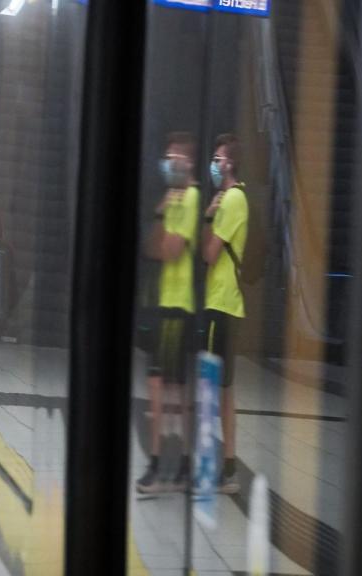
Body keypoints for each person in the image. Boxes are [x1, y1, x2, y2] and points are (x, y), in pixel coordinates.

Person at [136, 132, 200, 494]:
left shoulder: (191, 198)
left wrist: (164, 232)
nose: (169, 162)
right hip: (163, 303)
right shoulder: (171, 199)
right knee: (164, 387)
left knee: (168, 387)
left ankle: (170, 464)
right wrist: (162, 212)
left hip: (179, 306)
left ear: (187, 162)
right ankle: (169, 464)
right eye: (167, 156)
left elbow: (171, 251)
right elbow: (150, 247)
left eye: (175, 157)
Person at [201, 133, 248, 494]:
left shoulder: (232, 199)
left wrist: (209, 217)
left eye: (218, 160)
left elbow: (209, 254)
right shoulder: (235, 198)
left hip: (222, 304)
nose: (214, 166)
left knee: (215, 389)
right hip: (224, 303)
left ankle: (223, 469)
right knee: (222, 390)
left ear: (229, 164)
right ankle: (226, 467)